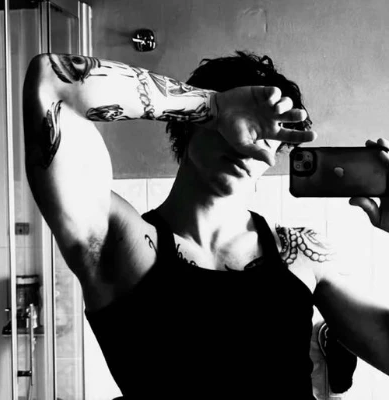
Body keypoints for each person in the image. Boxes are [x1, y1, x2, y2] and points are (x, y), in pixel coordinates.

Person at [22, 50, 389, 399]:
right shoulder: (118, 243)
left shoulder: (301, 253)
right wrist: (210, 106)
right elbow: (53, 81)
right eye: (241, 119)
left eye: (269, 129)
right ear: (189, 122)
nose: (248, 139)